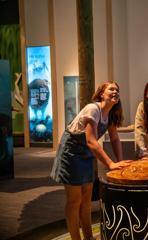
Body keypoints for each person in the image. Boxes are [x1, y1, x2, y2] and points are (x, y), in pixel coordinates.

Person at [50, 81, 128, 240]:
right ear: (101, 93)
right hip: (71, 152)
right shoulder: (93, 109)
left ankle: (88, 237)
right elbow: (91, 141)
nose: (115, 91)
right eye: (111, 89)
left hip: (86, 154)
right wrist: (111, 164)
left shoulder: (112, 113)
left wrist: (120, 163)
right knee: (74, 200)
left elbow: (114, 138)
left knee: (86, 199)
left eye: (117, 89)